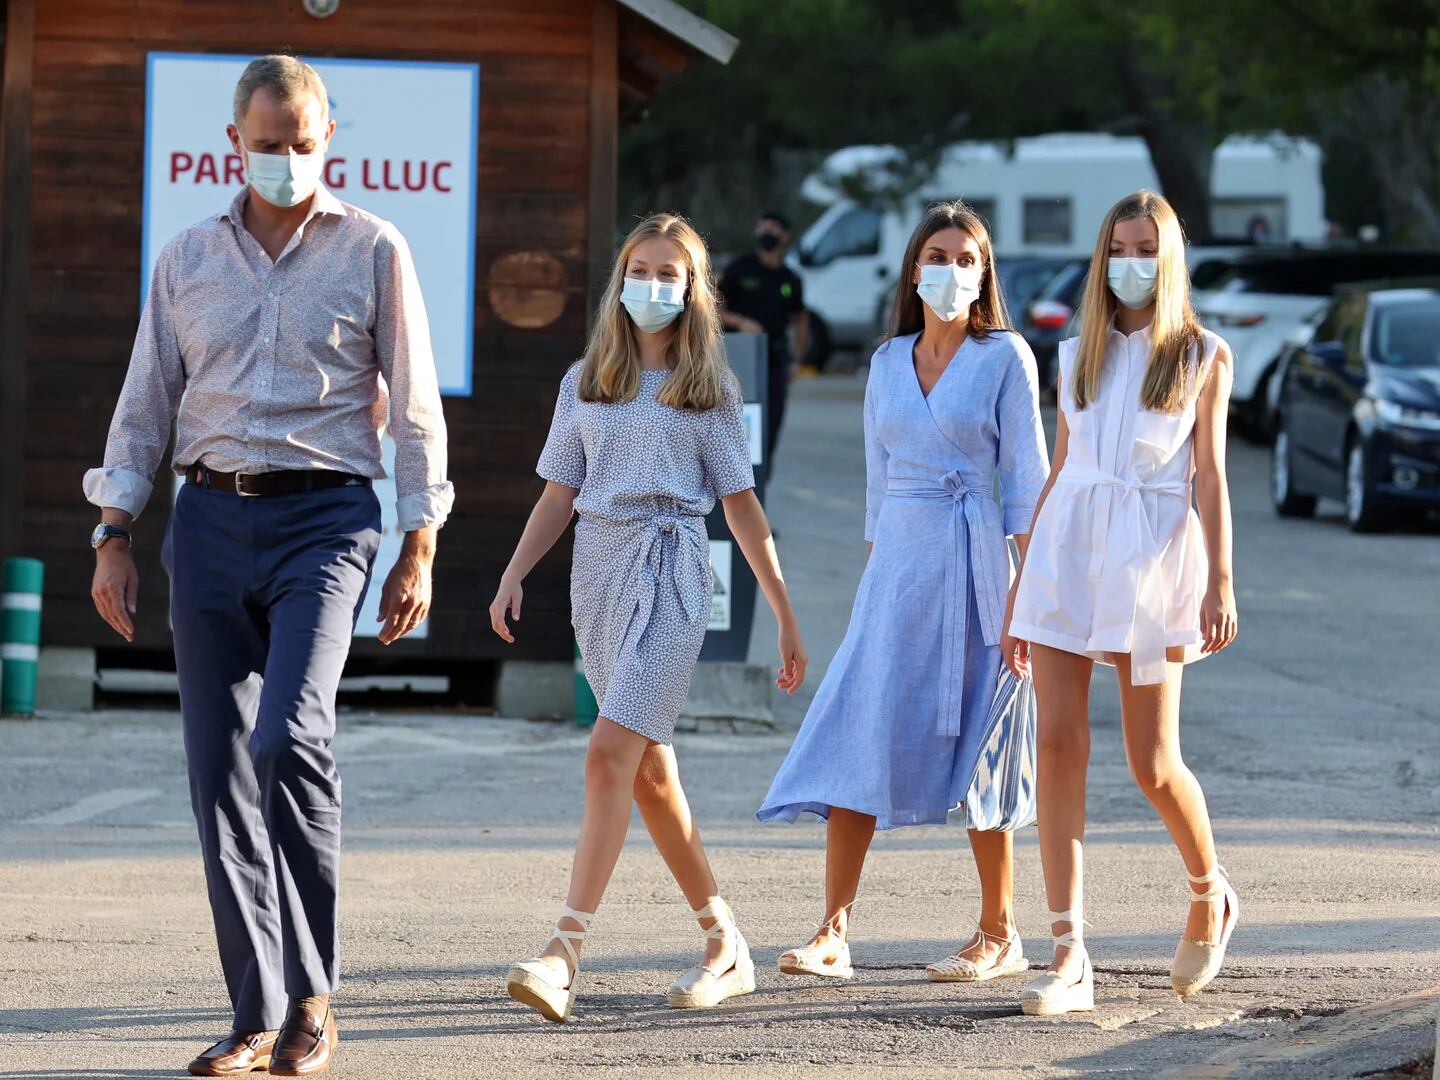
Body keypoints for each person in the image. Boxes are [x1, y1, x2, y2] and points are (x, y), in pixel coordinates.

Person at [83, 55, 452, 1077]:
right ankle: (256, 1011)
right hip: (204, 521)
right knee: (216, 773)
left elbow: (416, 406)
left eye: (303, 142)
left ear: (328, 139)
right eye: (268, 142)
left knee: (289, 739)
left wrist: (419, 540)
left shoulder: (375, 247)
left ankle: (316, 998)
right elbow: (146, 396)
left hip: (327, 520)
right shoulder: (188, 257)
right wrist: (113, 530)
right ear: (232, 142)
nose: (286, 158)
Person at [491, 212, 808, 1023]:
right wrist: (514, 574)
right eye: (642, 269)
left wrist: (785, 614)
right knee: (650, 774)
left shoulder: (710, 389)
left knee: (607, 754)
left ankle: (565, 949)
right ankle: (723, 940)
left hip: (673, 572)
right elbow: (559, 491)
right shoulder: (585, 378)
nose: (654, 287)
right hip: (596, 571)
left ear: (694, 288)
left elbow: (742, 510)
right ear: (619, 279)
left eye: (672, 275)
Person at [756, 201, 1049, 984]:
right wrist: (873, 589)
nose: (950, 271)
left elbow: (1028, 484)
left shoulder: (1006, 357)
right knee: (861, 727)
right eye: (937, 255)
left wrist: (1029, 601)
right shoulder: (886, 361)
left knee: (984, 746)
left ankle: (1000, 930)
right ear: (913, 267)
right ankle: (832, 932)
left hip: (979, 564)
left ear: (983, 272)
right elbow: (878, 487)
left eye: (966, 258)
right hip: (898, 573)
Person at [1004, 190, 1240, 1016]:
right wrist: (1019, 589)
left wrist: (1220, 581)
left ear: (1169, 258)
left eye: (1148, 248)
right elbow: (1058, 474)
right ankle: (1068, 950)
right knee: (1058, 746)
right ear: (1102, 259)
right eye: (1120, 248)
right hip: (1068, 554)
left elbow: (1209, 475)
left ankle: (1210, 891)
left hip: (1152, 555)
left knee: (1152, 762)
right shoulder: (1075, 357)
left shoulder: (1204, 354)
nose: (1132, 263)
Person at [718, 212, 811, 462]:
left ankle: (760, 487)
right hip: (737, 360)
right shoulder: (739, 269)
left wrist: (797, 360)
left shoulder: (790, 279)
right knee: (734, 423)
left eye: (774, 229)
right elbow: (712, 308)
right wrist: (741, 322)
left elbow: (801, 318)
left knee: (769, 428)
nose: (767, 234)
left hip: (775, 362)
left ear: (785, 236)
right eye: (763, 228)